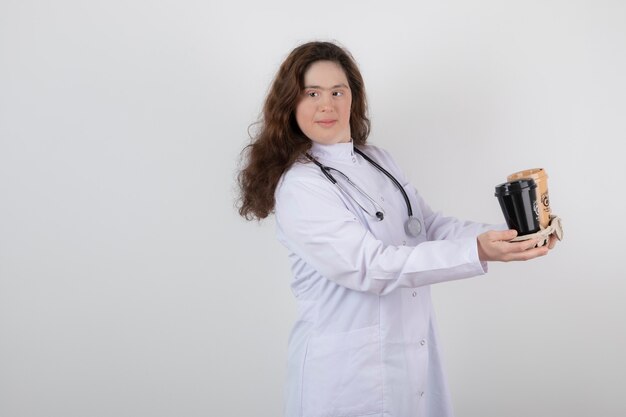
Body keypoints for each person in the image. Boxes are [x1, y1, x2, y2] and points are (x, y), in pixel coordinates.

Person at [236, 41, 556, 417]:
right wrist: (479, 251)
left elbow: (426, 226)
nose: (327, 105)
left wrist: (510, 235)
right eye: (312, 94)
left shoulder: (377, 160)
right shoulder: (301, 186)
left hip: (410, 357)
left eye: (338, 91)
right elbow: (368, 266)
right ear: (291, 103)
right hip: (347, 375)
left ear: (353, 97)